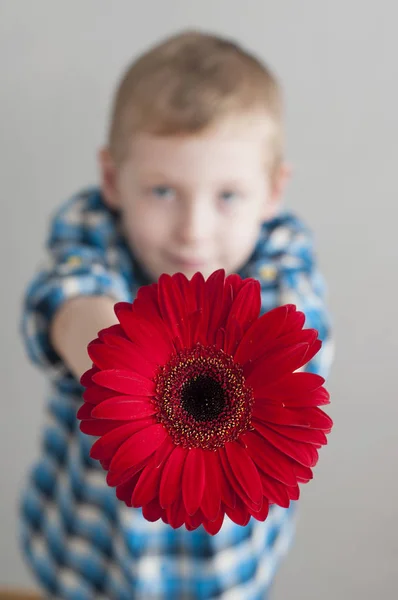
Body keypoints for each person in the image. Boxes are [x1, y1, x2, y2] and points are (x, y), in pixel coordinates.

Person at [19, 30, 333, 600]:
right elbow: (63, 304)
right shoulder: (93, 232)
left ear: (272, 192)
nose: (194, 229)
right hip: (86, 556)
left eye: (228, 196)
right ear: (113, 181)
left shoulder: (281, 263)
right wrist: (132, 356)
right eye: (163, 191)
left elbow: (299, 354)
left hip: (223, 573)